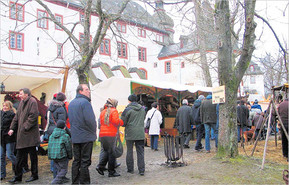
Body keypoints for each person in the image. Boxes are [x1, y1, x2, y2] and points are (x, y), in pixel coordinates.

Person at [8, 88, 40, 183]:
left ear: (26, 94)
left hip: (30, 136)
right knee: (19, 157)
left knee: (33, 156)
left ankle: (34, 175)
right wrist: (12, 128)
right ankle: (18, 177)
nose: (19, 95)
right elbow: (16, 117)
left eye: (21, 94)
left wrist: (24, 127)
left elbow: (33, 116)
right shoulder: (21, 103)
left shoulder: (32, 101)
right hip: (22, 136)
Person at [68, 84, 97, 184]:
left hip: (75, 136)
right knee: (85, 161)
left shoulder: (71, 103)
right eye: (86, 89)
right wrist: (93, 132)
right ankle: (85, 182)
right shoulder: (85, 103)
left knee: (76, 161)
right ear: (80, 91)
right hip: (86, 136)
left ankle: (75, 182)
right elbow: (90, 120)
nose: (88, 91)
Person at [97, 98, 123, 177]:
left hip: (103, 134)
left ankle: (100, 166)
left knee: (106, 151)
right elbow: (115, 121)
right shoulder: (114, 110)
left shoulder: (103, 111)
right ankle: (111, 171)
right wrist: (121, 122)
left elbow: (101, 123)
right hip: (111, 134)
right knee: (112, 153)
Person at [121, 94, 146, 176]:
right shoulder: (142, 109)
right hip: (140, 133)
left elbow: (122, 122)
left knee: (129, 151)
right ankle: (141, 170)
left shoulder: (127, 109)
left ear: (129, 100)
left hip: (130, 133)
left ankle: (130, 169)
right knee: (140, 152)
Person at [48, 120, 72, 184]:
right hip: (62, 156)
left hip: (53, 156)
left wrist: (50, 156)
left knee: (58, 168)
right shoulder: (65, 136)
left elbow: (49, 146)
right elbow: (68, 147)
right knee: (64, 170)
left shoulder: (51, 136)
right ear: (64, 127)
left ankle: (61, 179)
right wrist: (70, 156)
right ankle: (55, 181)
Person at [1, 101, 17, 180]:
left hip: (9, 138)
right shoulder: (0, 114)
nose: (4, 107)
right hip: (1, 138)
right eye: (3, 106)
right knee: (1, 156)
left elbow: (14, 125)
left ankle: (18, 168)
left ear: (10, 107)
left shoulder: (12, 115)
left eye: (6, 106)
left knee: (10, 154)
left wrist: (12, 130)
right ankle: (2, 174)